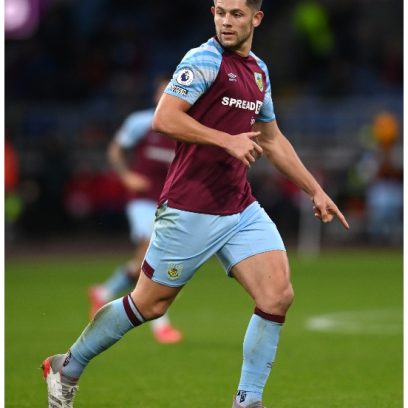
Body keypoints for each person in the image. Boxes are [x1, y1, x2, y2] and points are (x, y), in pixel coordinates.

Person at [42, 1, 349, 407]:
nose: (226, 21)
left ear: (256, 19)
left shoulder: (258, 71)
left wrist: (314, 189)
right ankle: (67, 366)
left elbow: (272, 138)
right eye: (220, 12)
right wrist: (226, 140)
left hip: (239, 207)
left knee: (277, 295)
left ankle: (247, 400)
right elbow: (164, 118)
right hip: (190, 207)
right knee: (149, 304)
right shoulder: (203, 60)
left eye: (236, 14)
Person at [87, 77, 182, 344]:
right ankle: (161, 325)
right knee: (154, 253)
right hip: (142, 200)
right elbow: (115, 150)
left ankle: (103, 292)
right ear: (156, 96)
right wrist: (126, 176)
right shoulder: (142, 122)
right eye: (164, 91)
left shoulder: (186, 126)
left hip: (169, 202)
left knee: (144, 259)